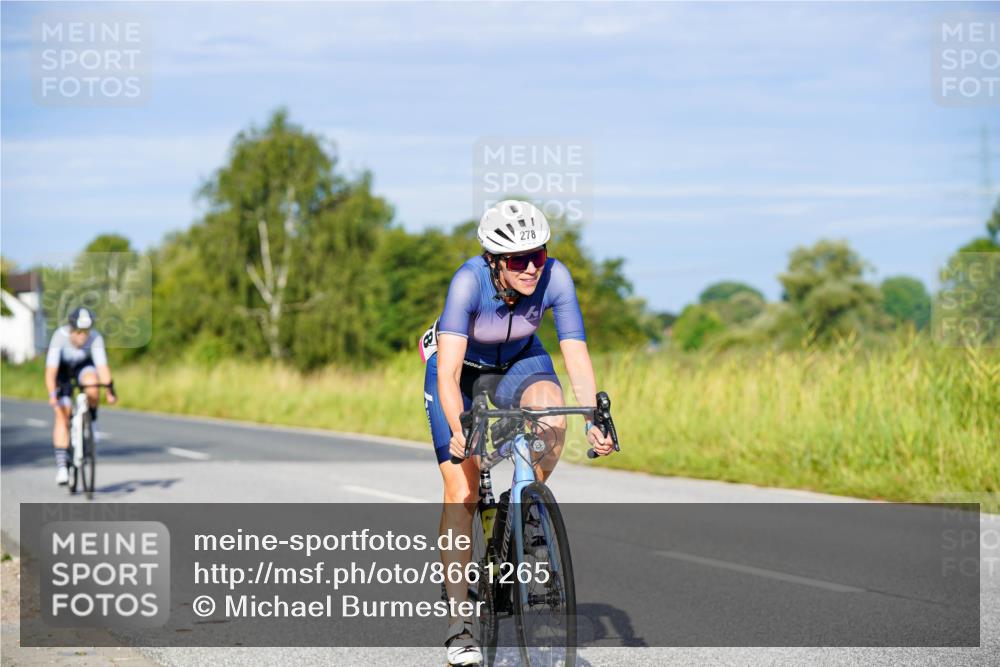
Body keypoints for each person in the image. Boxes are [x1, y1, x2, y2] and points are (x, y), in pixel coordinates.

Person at [421, 200, 613, 665]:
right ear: (494, 261)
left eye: (538, 256)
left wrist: (594, 417)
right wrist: (458, 428)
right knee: (461, 488)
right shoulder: (468, 282)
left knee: (553, 414)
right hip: (460, 370)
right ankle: (460, 622)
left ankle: (527, 507)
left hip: (521, 361)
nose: (531, 268)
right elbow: (446, 375)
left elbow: (575, 354)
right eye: (518, 260)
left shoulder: (556, 278)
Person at [44, 307, 116, 485]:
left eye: (86, 332)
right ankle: (62, 467)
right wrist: (53, 394)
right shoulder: (59, 337)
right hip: (62, 372)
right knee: (63, 412)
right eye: (78, 332)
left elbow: (102, 367)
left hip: (83, 368)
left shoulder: (95, 337)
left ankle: (90, 421)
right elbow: (50, 372)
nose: (83, 336)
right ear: (71, 329)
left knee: (92, 384)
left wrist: (109, 391)